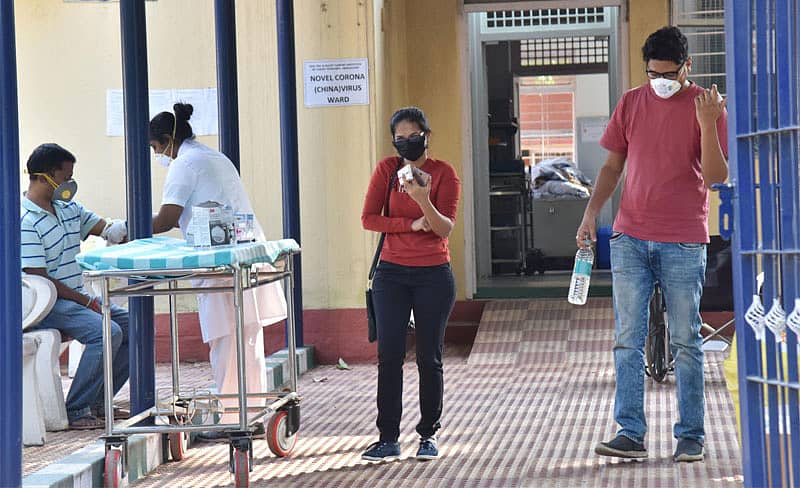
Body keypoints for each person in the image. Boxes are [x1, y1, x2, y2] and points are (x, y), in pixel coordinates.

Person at [576, 26, 728, 462]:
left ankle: (691, 435)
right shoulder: (631, 102)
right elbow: (612, 166)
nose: (660, 81)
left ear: (687, 67)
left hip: (683, 240)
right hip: (631, 238)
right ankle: (630, 432)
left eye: (669, 73)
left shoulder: (707, 105)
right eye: (653, 73)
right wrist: (591, 213)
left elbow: (716, 177)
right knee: (628, 339)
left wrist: (706, 124)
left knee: (686, 340)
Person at [149, 103, 287, 440]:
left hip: (221, 264)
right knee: (248, 340)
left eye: (155, 147)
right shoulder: (213, 156)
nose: (156, 154)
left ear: (167, 140)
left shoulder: (184, 164)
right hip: (242, 254)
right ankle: (251, 413)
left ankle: (231, 419)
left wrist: (127, 227)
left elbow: (166, 218)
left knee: (225, 342)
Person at [360, 107, 461, 462]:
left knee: (429, 357)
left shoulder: (444, 173)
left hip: (434, 275)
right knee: (389, 356)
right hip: (391, 275)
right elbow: (368, 219)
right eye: (399, 138)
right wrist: (410, 225)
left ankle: (428, 435)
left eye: (413, 136)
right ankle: (387, 437)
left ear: (426, 136)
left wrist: (422, 199)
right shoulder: (387, 171)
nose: (406, 143)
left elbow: (444, 228)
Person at [21, 143, 130, 430]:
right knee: (106, 333)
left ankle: (99, 401)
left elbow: (107, 229)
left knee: (134, 326)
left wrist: (140, 225)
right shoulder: (25, 220)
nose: (70, 183)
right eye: (66, 177)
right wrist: (88, 302)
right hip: (45, 303)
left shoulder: (68, 209)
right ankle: (78, 408)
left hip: (75, 298)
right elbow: (40, 279)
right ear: (44, 176)